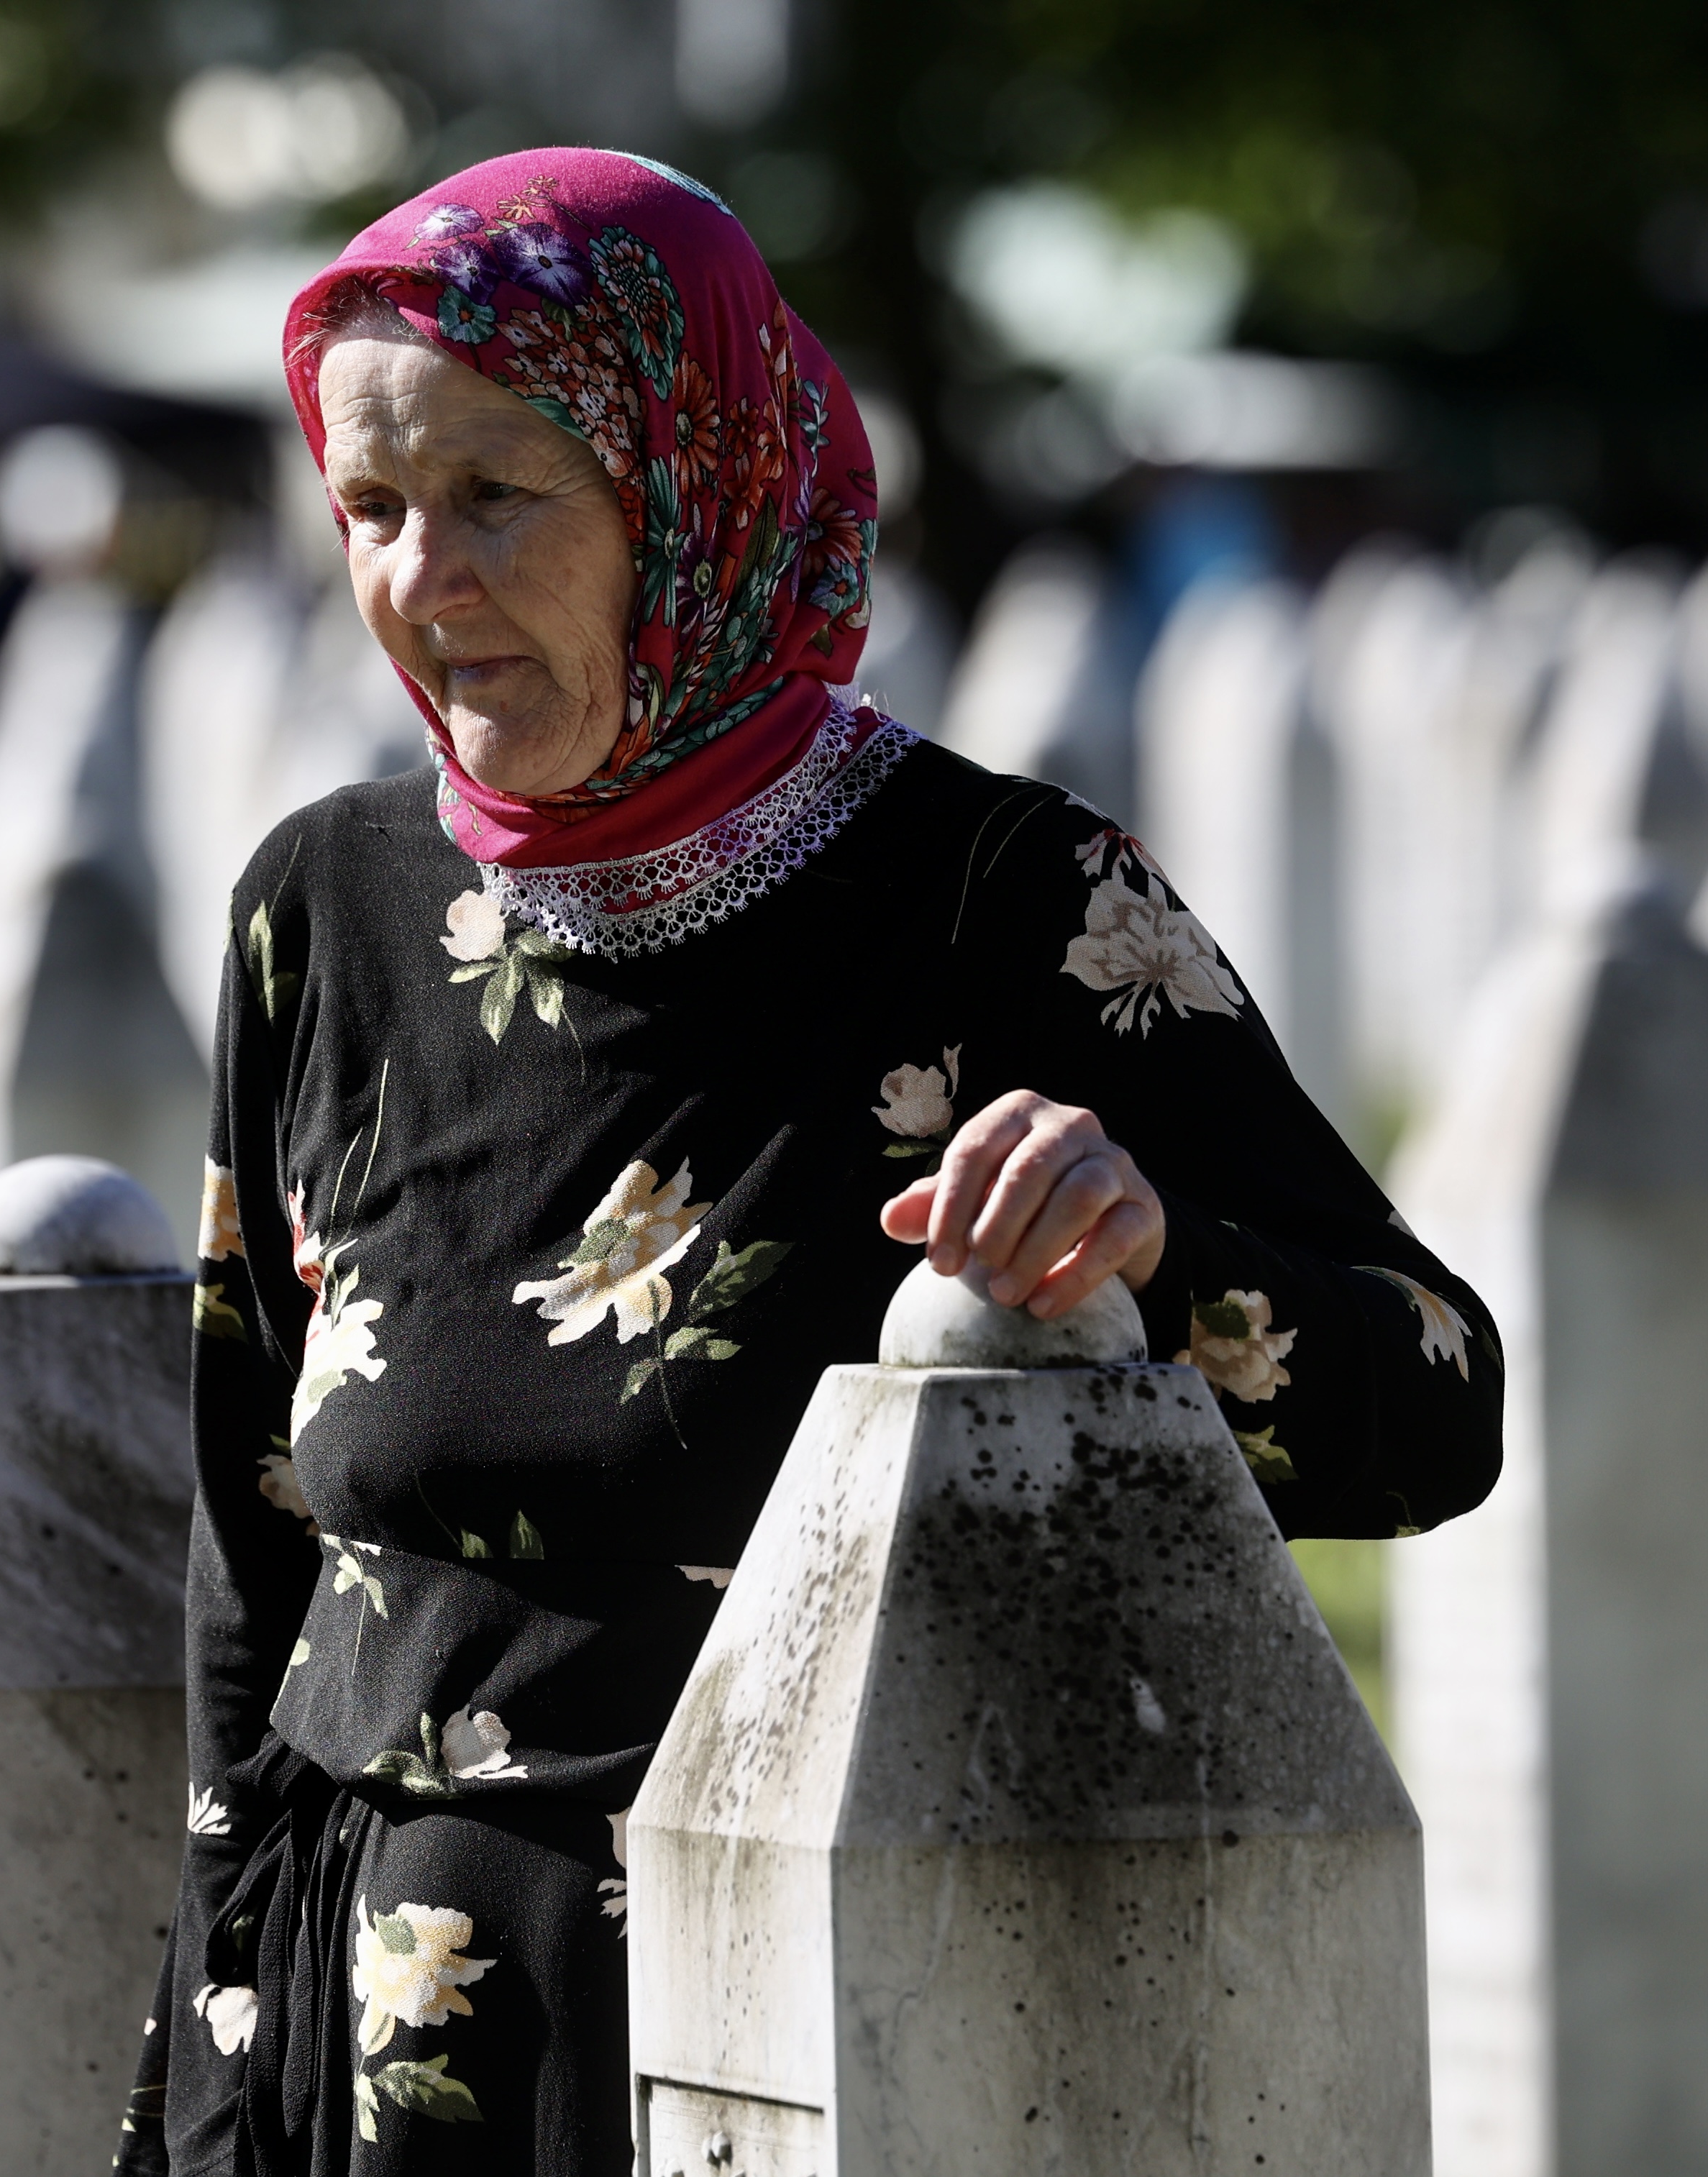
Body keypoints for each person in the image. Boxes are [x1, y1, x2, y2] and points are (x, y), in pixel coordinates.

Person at [122, 150, 1502, 2176]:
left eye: (499, 491)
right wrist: (227, 2024)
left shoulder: (997, 903)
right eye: (370, 507)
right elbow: (252, 1517)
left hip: (823, 2043)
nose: (424, 577)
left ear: (683, 479)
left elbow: (1431, 1398)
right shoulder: (321, 908)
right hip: (379, 2046)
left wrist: (1144, 1263)